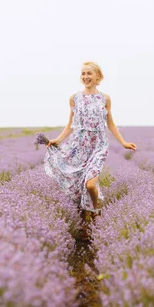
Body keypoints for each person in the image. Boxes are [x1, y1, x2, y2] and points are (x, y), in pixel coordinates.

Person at [44, 62, 137, 239]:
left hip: (98, 146)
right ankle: (86, 221)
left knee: (90, 184)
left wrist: (123, 142)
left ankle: (95, 211)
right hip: (78, 146)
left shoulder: (105, 99)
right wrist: (58, 139)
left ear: (98, 77)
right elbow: (71, 124)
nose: (86, 77)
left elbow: (110, 123)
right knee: (79, 186)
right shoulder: (74, 98)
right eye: (83, 74)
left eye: (89, 74)